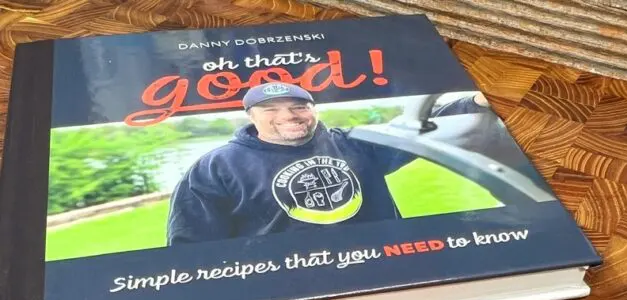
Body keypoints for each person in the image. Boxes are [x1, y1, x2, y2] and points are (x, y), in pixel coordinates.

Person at [167, 83, 491, 244]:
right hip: (284, 288)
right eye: (271, 109)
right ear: (250, 116)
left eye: (299, 106)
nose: (288, 116)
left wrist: (475, 101)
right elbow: (190, 247)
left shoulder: (353, 143)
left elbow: (420, 129)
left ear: (314, 109)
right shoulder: (214, 168)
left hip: (382, 268)